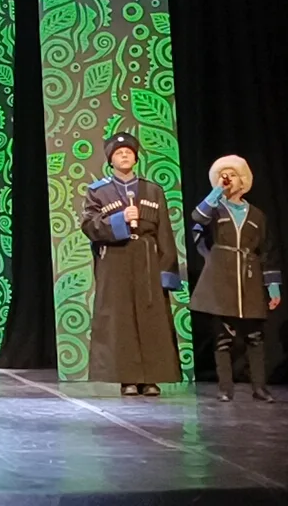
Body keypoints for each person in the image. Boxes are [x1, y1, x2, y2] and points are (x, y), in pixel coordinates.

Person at [80, 133, 183, 397]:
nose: (124, 155)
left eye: (129, 152)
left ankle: (151, 378)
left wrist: (167, 270)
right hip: (115, 260)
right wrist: (120, 219)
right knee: (121, 319)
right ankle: (127, 378)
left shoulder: (153, 190)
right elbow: (89, 225)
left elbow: (164, 233)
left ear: (136, 158)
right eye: (119, 153)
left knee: (152, 318)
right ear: (110, 160)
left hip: (147, 258)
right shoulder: (97, 191)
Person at [189, 155, 282, 402]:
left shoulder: (257, 215)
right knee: (222, 338)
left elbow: (267, 251)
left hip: (249, 279)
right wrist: (217, 191)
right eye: (223, 175)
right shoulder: (215, 209)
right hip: (222, 277)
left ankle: (259, 388)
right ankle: (225, 389)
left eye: (232, 175)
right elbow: (197, 218)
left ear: (243, 180)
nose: (228, 178)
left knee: (255, 337)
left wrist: (273, 286)